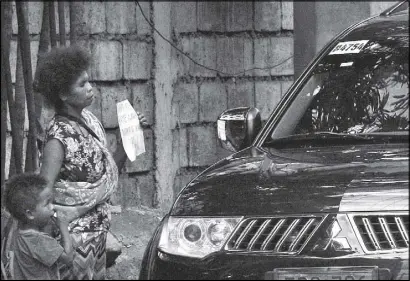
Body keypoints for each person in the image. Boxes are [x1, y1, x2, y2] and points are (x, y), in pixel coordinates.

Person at [33, 44, 148, 279]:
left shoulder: (89, 122)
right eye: (82, 84)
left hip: (97, 233)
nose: (90, 88)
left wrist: (130, 135)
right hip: (73, 240)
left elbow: (106, 172)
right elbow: (44, 188)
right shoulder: (58, 137)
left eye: (89, 81)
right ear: (63, 94)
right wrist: (55, 231)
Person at [4, 173, 74, 280]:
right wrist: (64, 227)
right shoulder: (38, 240)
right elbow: (68, 259)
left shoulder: (19, 231)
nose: (52, 207)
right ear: (30, 214)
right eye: (47, 204)